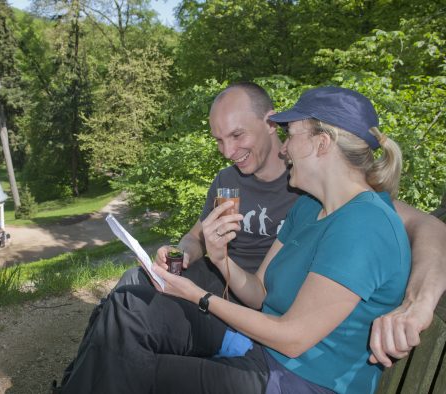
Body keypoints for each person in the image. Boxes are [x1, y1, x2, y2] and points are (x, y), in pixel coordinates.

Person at [56, 82, 446, 391]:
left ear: (321, 142)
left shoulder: (363, 222)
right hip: (263, 348)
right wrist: (218, 256)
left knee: (131, 372)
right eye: (219, 140)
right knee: (127, 317)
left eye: (291, 135)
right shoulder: (308, 206)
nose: (286, 148)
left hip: (292, 372)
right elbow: (260, 290)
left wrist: (420, 302)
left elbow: (293, 338)